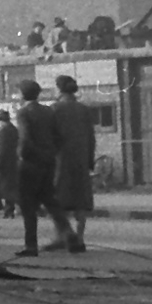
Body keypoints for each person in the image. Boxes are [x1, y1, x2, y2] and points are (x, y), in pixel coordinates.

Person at [14, 79, 83, 256]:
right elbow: (58, 137)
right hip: (48, 162)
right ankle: (69, 234)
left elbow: (25, 139)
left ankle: (31, 245)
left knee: (28, 205)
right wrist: (50, 154)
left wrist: (22, 155)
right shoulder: (48, 111)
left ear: (22, 94)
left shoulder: (23, 113)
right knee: (51, 201)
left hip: (30, 164)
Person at [51, 75, 96, 242]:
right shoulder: (83, 109)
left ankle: (61, 237)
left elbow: (50, 138)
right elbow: (91, 137)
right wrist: (89, 161)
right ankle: (80, 237)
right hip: (81, 160)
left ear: (59, 90)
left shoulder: (55, 109)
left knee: (59, 200)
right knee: (80, 200)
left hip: (61, 161)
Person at [0, 107, 20, 220]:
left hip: (5, 164)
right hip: (14, 162)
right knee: (10, 187)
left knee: (6, 188)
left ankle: (8, 211)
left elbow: (1, 150)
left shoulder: (4, 132)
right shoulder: (13, 130)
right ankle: (10, 210)